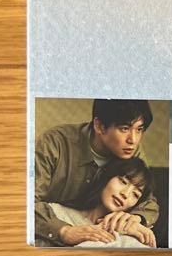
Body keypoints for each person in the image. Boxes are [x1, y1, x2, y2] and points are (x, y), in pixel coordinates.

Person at [35, 99, 159, 245]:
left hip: (99, 229)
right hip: (50, 225)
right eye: (124, 128)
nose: (134, 140)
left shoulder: (130, 150)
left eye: (139, 129)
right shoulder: (55, 143)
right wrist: (64, 231)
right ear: (99, 126)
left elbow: (148, 202)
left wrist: (135, 218)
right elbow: (24, 201)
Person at [40, 158, 156, 248]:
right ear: (107, 177)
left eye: (135, 194)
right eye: (123, 181)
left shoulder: (130, 232)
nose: (125, 194)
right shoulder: (55, 212)